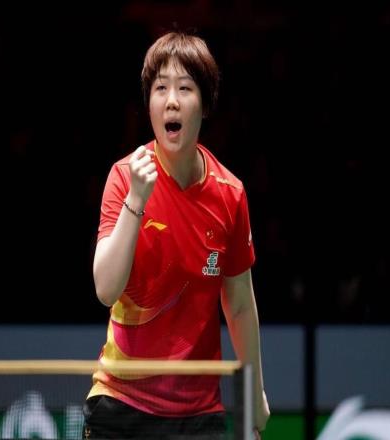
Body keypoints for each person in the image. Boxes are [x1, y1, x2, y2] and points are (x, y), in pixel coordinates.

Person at [83, 31, 270, 439]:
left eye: (185, 88)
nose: (171, 100)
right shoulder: (124, 178)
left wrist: (254, 391)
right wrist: (137, 199)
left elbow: (240, 306)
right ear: (149, 104)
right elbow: (106, 289)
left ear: (205, 104)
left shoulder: (230, 195)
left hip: (197, 416)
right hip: (121, 404)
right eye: (160, 88)